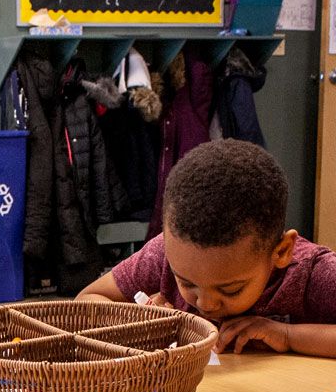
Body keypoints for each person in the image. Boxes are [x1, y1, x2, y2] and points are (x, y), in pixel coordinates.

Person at [75, 139, 336, 358]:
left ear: (281, 252)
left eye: (230, 289)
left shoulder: (311, 272)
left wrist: (288, 335)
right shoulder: (165, 255)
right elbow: (85, 303)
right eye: (186, 283)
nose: (205, 303)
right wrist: (134, 321)